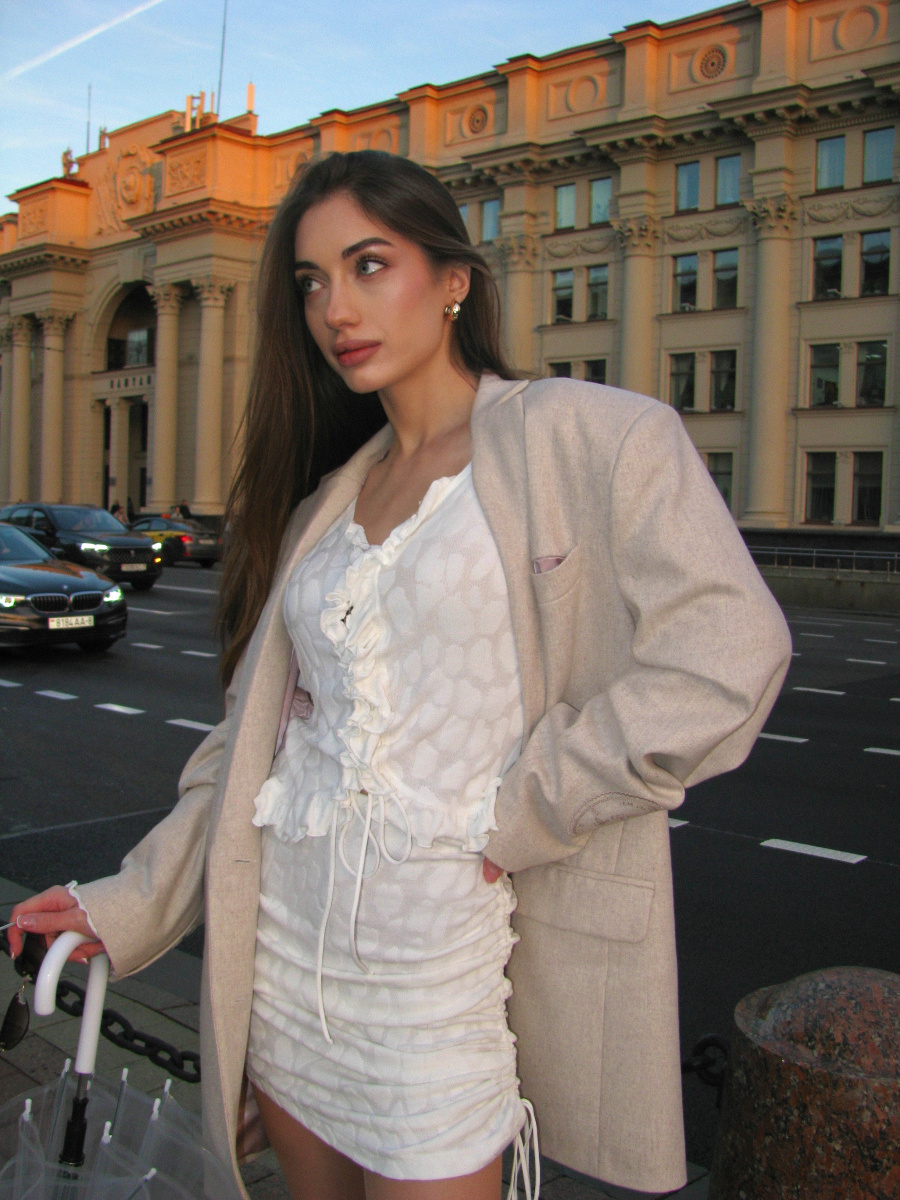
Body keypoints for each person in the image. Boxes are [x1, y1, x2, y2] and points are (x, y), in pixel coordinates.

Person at [10, 151, 791, 1200]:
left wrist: (529, 807)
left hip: (435, 985)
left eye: (369, 265)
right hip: (287, 971)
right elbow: (252, 756)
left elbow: (731, 651)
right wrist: (125, 904)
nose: (336, 309)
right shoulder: (322, 503)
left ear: (453, 278)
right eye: (312, 282)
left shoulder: (587, 438)